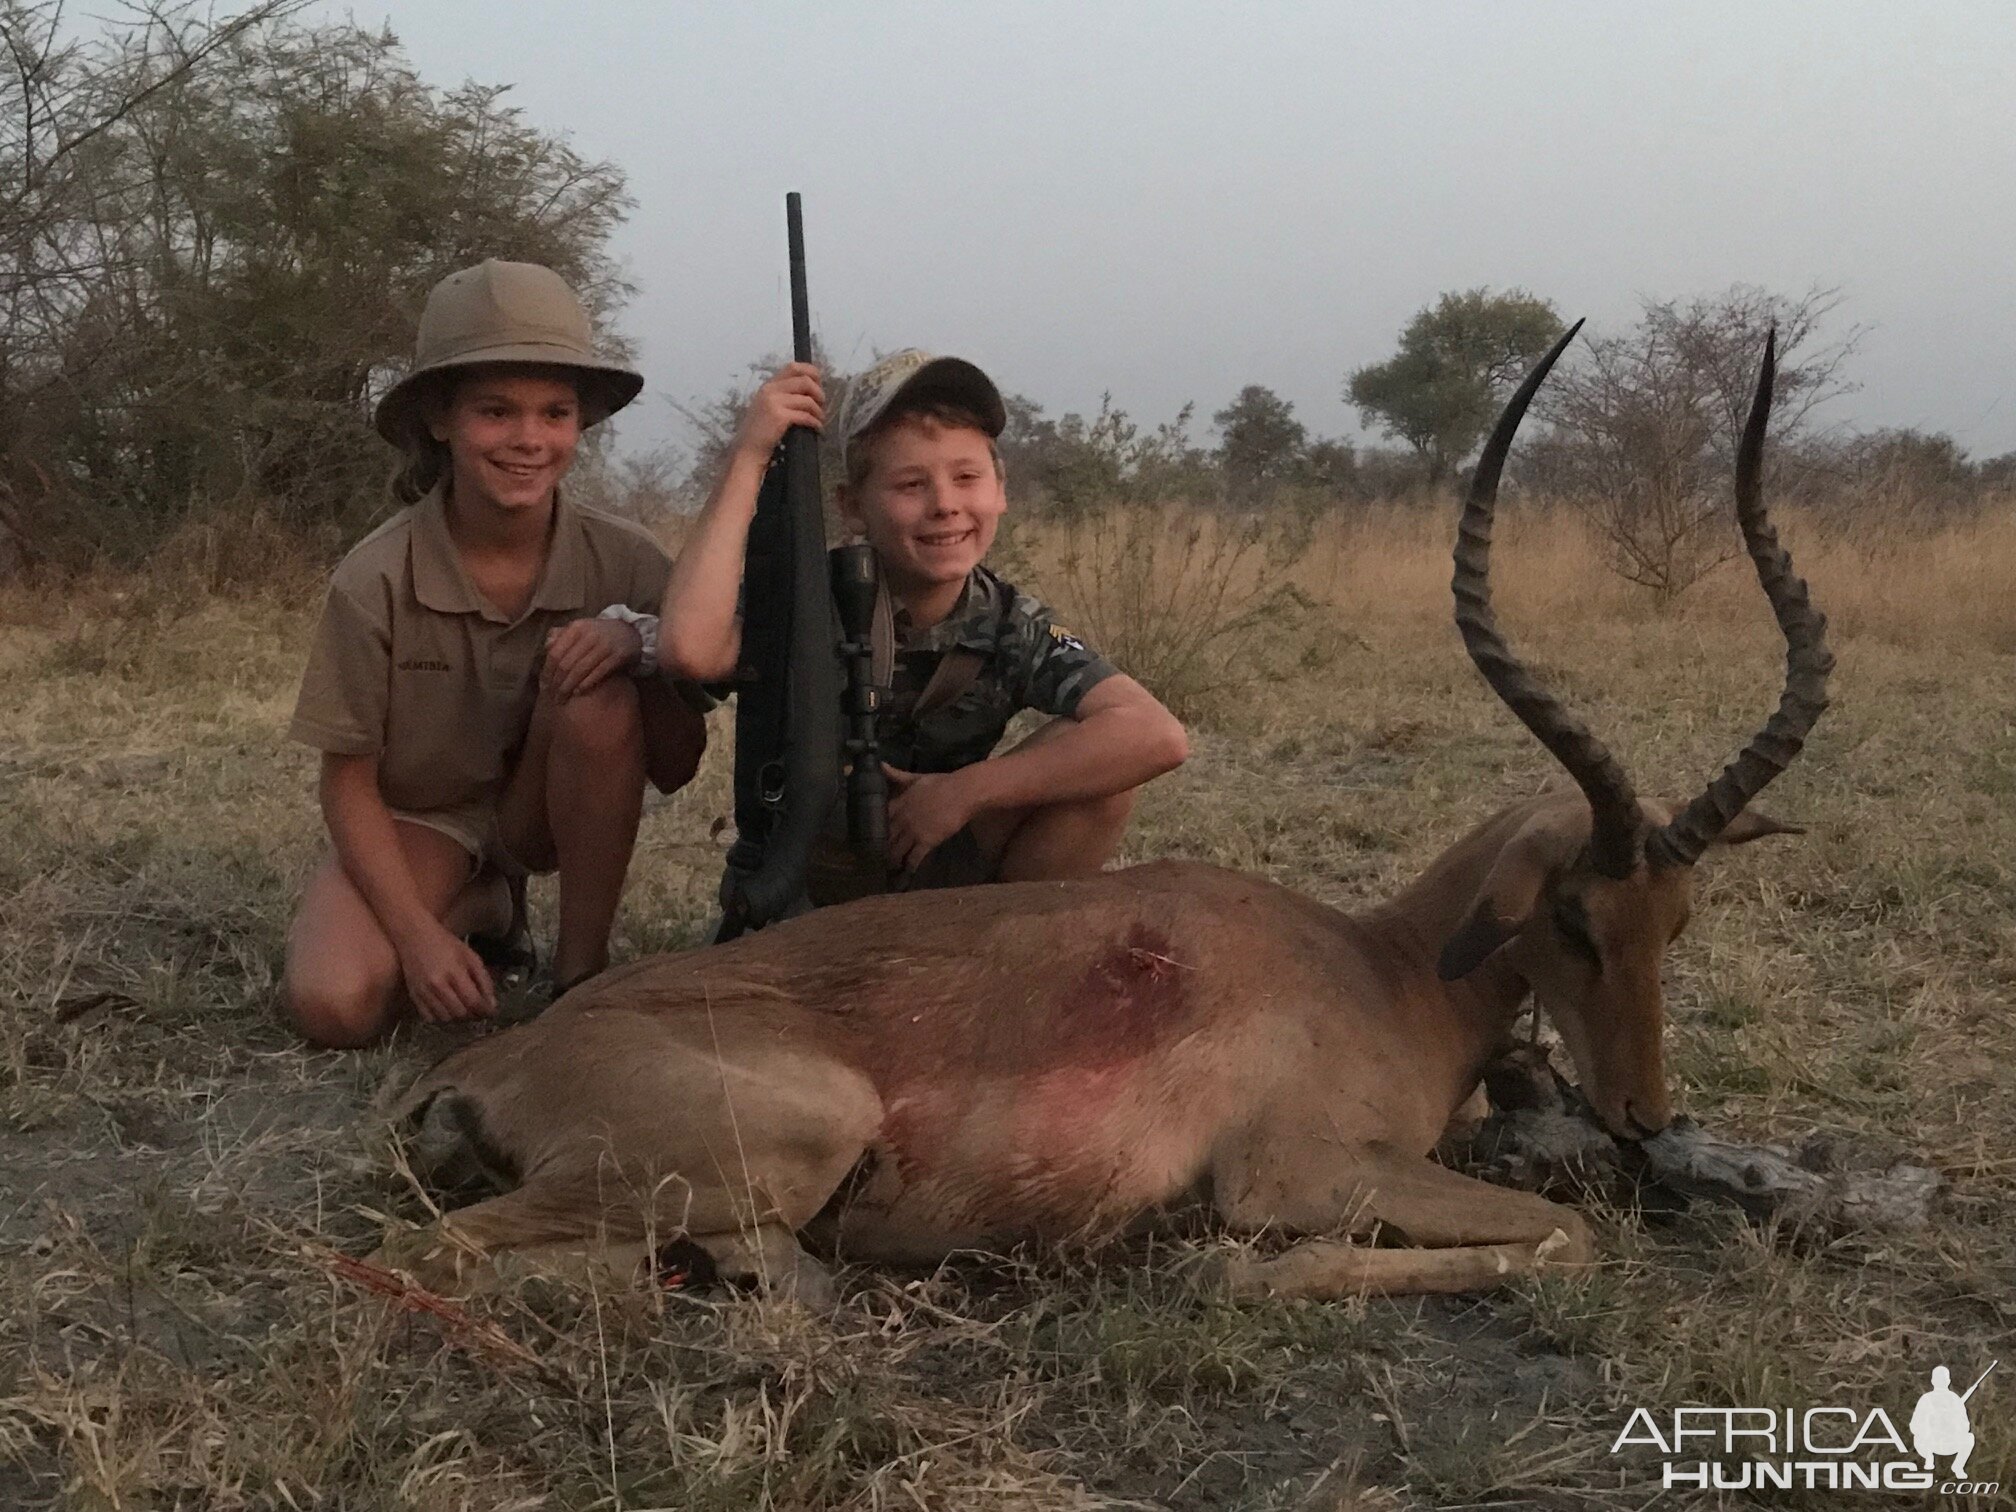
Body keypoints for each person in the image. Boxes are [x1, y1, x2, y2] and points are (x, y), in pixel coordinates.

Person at [283, 259, 707, 1047]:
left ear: (580, 423)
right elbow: (347, 782)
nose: (529, 440)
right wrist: (417, 939)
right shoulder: (373, 577)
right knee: (335, 1006)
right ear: (440, 419)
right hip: (428, 817)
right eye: (496, 412)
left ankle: (579, 976)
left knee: (601, 687)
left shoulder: (633, 562)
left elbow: (680, 764)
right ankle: (485, 904)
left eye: (555, 413)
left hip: (544, 813)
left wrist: (637, 644)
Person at [661, 349, 1186, 903]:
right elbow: (689, 651)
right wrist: (750, 455)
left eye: (967, 477)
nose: (945, 505)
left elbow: (1157, 735)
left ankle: (1001, 963)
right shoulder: (809, 599)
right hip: (807, 877)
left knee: (1102, 777)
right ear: (852, 507)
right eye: (911, 485)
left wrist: (962, 793)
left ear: (999, 492)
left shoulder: (1013, 620)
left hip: (937, 860)